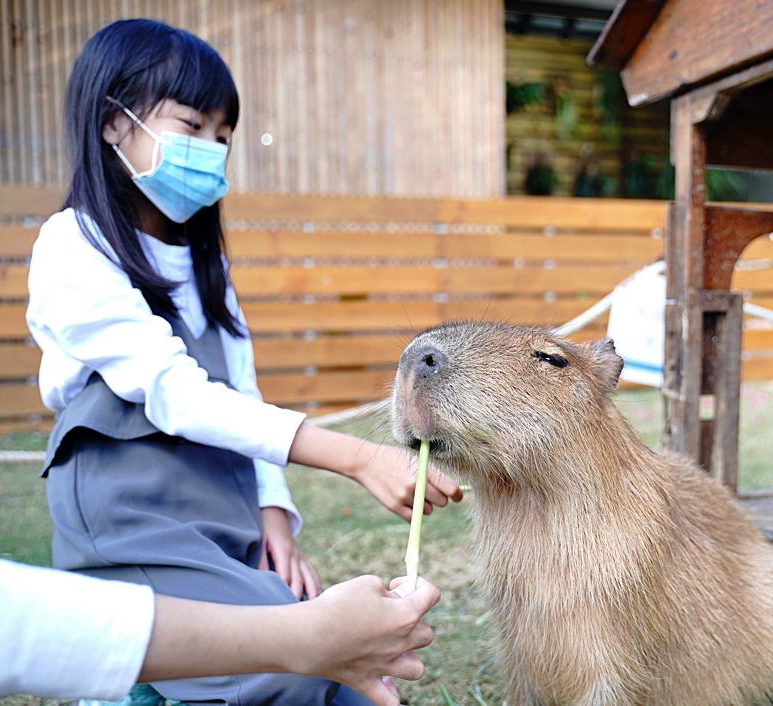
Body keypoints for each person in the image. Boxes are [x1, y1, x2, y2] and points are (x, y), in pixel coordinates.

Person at [25, 18, 461, 706]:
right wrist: (355, 457)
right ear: (113, 122)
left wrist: (273, 517)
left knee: (331, 672)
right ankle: (132, 681)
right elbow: (175, 392)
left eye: (222, 137)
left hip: (219, 508)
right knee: (297, 664)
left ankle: (145, 686)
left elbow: (241, 388)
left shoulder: (206, 264)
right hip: (131, 519)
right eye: (191, 126)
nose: (210, 150)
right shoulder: (70, 246)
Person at [0, 555, 439, 706]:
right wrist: (310, 635)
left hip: (220, 520)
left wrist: (273, 507)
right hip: (134, 520)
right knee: (291, 682)